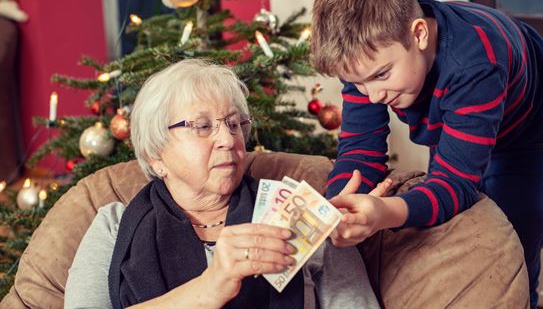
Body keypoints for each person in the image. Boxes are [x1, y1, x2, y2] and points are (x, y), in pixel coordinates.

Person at [311, 0, 543, 307]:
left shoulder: (476, 62)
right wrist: (335, 206)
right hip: (463, 113)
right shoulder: (364, 59)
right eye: (357, 83)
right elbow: (359, 154)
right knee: (454, 231)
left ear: (419, 34)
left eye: (382, 76)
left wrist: (383, 213)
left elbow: (454, 182)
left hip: (534, 133)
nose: (373, 96)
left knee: (516, 250)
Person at [63, 59, 380, 309]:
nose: (228, 139)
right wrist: (210, 287)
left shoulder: (301, 214)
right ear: (155, 155)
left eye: (234, 124)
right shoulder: (114, 226)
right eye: (201, 126)